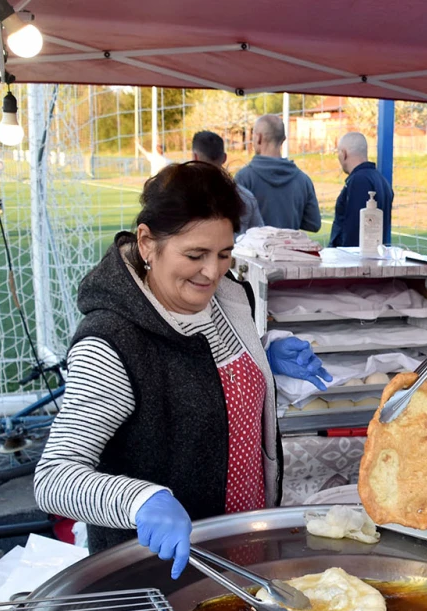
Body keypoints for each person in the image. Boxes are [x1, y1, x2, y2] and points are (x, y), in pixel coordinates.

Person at [34, 162, 331, 576]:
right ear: (146, 244)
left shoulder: (227, 297)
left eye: (224, 254)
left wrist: (265, 355)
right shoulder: (111, 343)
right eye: (195, 255)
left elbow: (209, 375)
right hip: (158, 575)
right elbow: (54, 477)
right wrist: (140, 500)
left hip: (241, 545)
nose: (213, 271)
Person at [234, 115, 320, 232]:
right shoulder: (303, 180)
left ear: (258, 138)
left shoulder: (244, 177)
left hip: (254, 249)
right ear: (284, 139)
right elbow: (313, 223)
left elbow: (235, 223)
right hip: (289, 249)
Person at [329, 131, 394, 249]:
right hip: (374, 257)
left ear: (343, 154)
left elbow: (354, 229)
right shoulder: (382, 180)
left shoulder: (359, 181)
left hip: (353, 261)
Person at [191, 130, 264, 233]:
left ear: (195, 157)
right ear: (224, 158)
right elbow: (259, 235)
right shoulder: (245, 197)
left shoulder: (181, 197)